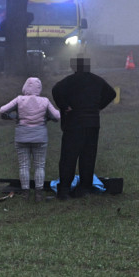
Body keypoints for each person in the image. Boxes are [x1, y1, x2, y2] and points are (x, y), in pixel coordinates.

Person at [51, 56, 117, 200]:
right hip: (93, 123)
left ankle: (64, 191)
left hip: (74, 123)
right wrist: (98, 106)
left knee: (68, 157)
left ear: (74, 67)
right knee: (88, 157)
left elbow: (55, 90)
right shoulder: (97, 80)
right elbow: (112, 93)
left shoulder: (69, 81)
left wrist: (64, 105)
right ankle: (84, 189)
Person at [0, 76, 61, 201]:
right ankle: (38, 193)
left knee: (24, 166)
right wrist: (46, 118)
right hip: (40, 136)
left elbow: (2, 110)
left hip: (22, 136)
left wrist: (13, 116)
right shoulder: (45, 101)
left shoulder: (19, 99)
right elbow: (56, 116)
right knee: (39, 166)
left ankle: (26, 193)